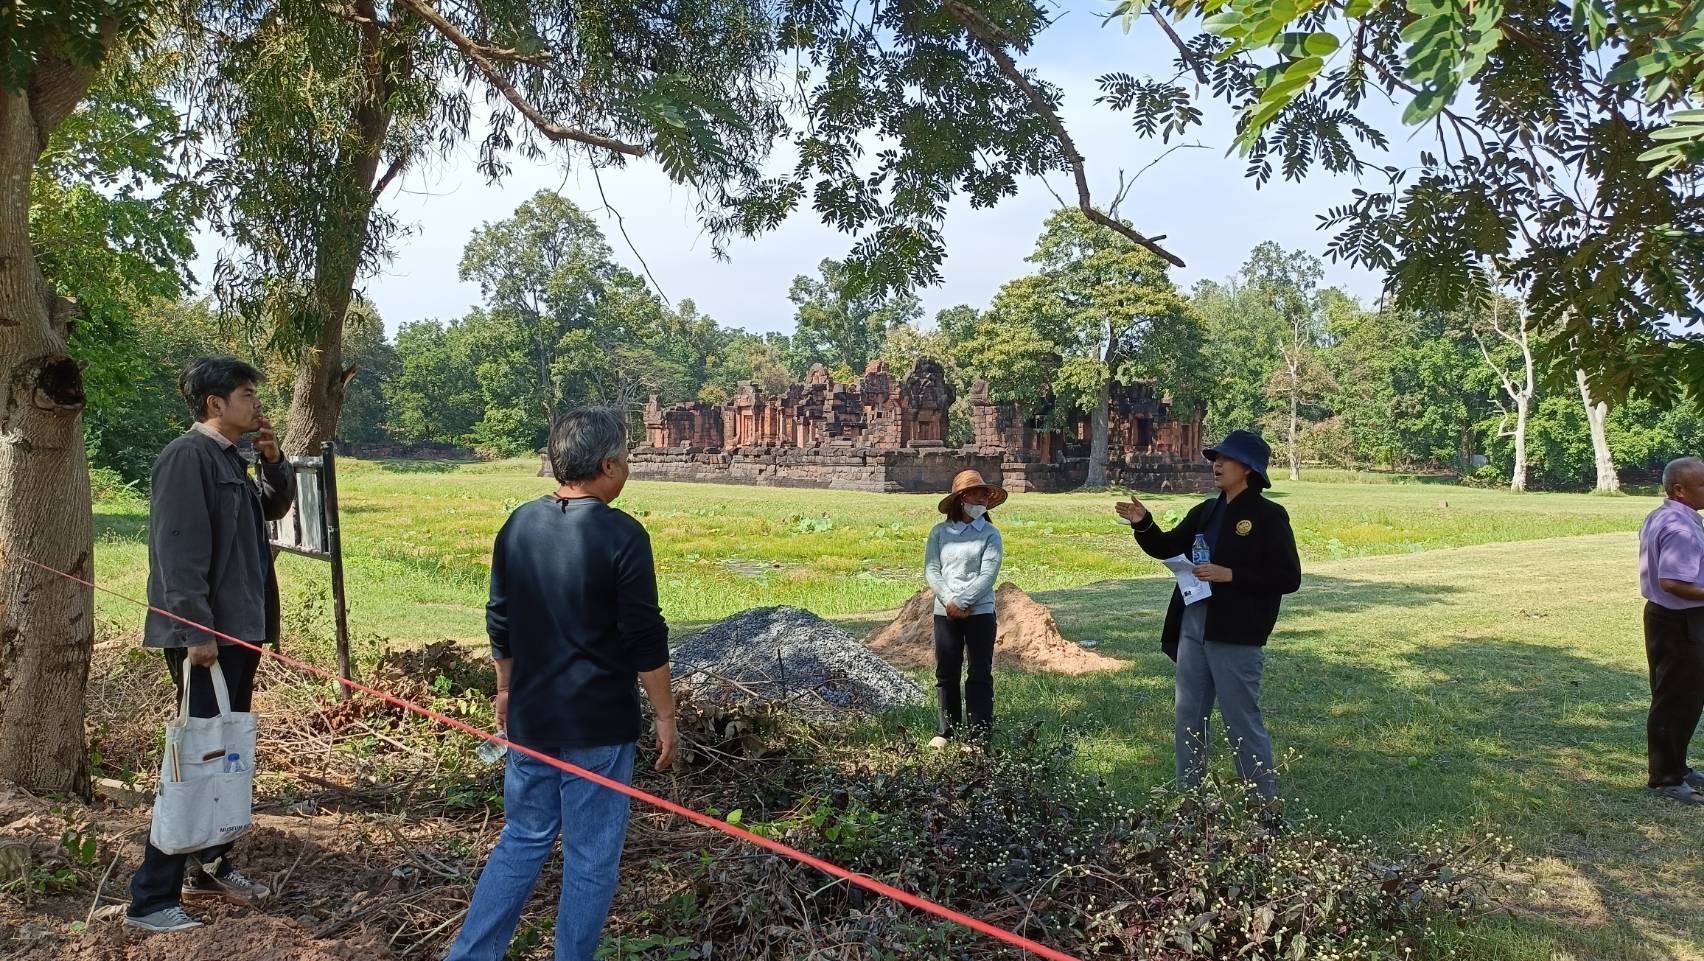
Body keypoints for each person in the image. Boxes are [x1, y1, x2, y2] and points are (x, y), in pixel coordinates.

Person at [445, 407, 678, 961]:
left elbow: (498, 617)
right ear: (605, 466)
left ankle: (470, 955)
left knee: (523, 838)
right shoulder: (623, 534)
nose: (628, 468)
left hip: (531, 714)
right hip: (598, 723)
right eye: (625, 458)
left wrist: (505, 688)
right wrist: (666, 715)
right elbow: (645, 636)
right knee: (592, 856)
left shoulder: (519, 523)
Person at [127, 358, 295, 933]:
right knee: (196, 759)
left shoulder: (230, 458)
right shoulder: (186, 458)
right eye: (247, 394)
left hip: (239, 631)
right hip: (207, 638)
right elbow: (177, 553)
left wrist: (274, 463)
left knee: (224, 753)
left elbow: (271, 510)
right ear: (214, 404)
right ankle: (151, 898)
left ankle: (212, 863)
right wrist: (197, 630)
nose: (256, 403)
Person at [1114, 430, 1299, 801]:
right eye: (1214, 457)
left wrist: (1230, 574)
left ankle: (1261, 805)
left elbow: (1288, 577)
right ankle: (1190, 800)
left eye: (1225, 459)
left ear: (1248, 468)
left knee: (1240, 720)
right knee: (1188, 715)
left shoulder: (1269, 515)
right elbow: (1167, 545)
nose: (1216, 464)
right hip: (1193, 623)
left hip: (1236, 630)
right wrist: (1143, 522)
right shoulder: (1207, 510)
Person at [1636, 456, 1704, 804]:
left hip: (1662, 616)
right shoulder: (1680, 526)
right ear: (1680, 489)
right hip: (1681, 621)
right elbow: (1674, 582)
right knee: (1678, 699)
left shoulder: (1661, 514)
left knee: (1679, 696)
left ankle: (1677, 765)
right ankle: (1666, 779)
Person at [923, 469, 1006, 748]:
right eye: (977, 493)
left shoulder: (991, 534)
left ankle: (979, 734)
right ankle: (946, 730)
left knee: (979, 671)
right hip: (945, 610)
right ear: (961, 498)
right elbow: (932, 570)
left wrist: (964, 601)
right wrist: (950, 600)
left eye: (985, 494)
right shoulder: (940, 532)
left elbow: (988, 574)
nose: (982, 499)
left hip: (980, 610)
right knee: (946, 670)